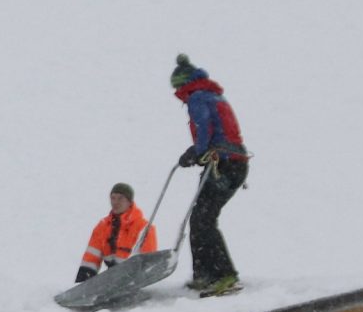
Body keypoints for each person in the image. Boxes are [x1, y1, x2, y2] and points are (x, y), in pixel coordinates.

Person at [172, 54, 250, 297]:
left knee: (203, 219)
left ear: (182, 85)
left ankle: (223, 275)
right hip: (234, 162)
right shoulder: (213, 95)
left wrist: (198, 151)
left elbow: (205, 126)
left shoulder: (197, 97)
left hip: (222, 164)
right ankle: (204, 274)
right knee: (200, 218)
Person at [74, 182, 158, 284]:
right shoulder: (102, 226)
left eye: (120, 198)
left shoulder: (143, 227)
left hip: (135, 280)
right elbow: (91, 258)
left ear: (129, 202)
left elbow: (149, 261)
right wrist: (82, 283)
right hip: (113, 280)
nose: (115, 202)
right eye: (113, 198)